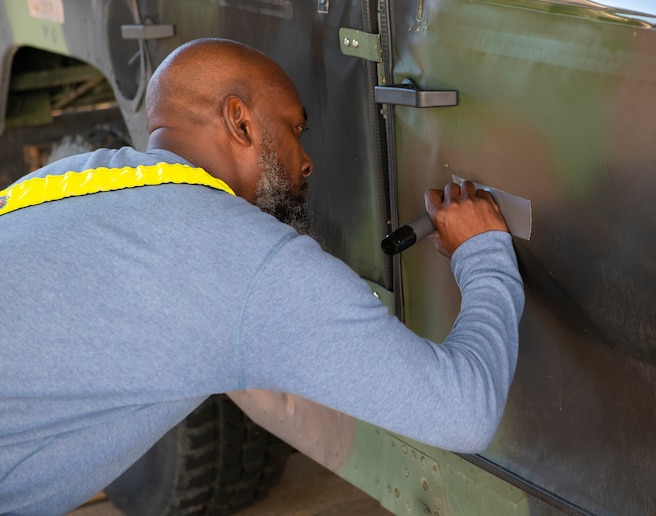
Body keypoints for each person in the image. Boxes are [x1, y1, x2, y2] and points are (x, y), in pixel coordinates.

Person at [0, 38, 523, 513]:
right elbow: (464, 411)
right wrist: (483, 249)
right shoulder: (245, 262)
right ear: (241, 122)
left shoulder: (69, 179)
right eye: (294, 129)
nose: (308, 160)